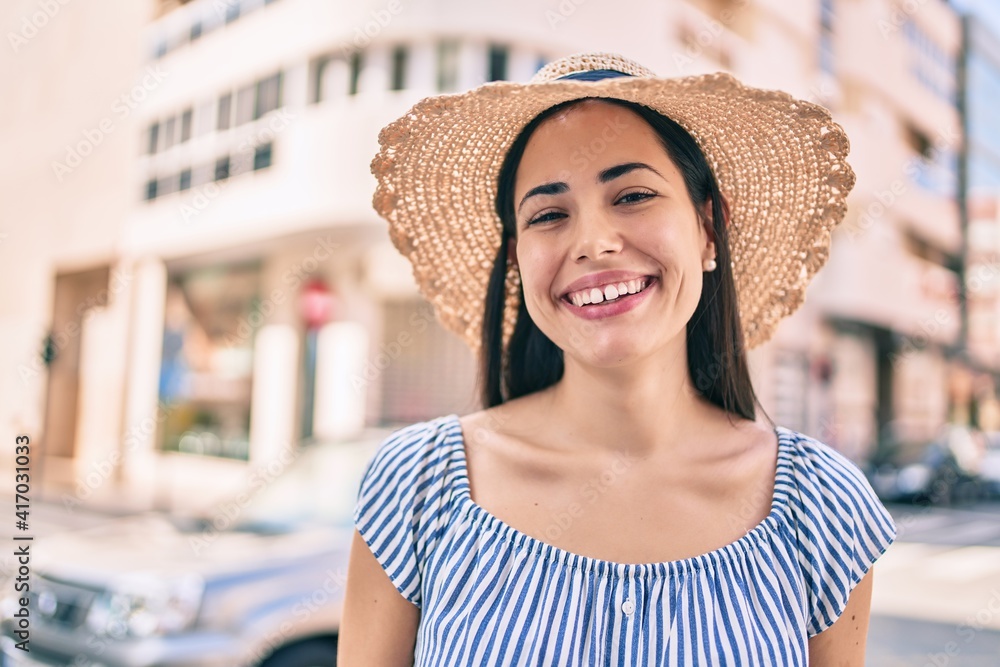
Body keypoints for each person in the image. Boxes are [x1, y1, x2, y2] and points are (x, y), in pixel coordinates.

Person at [338, 52, 897, 666]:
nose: (595, 243)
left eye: (632, 195)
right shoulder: (418, 485)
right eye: (549, 215)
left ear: (710, 229)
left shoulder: (820, 506)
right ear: (517, 259)